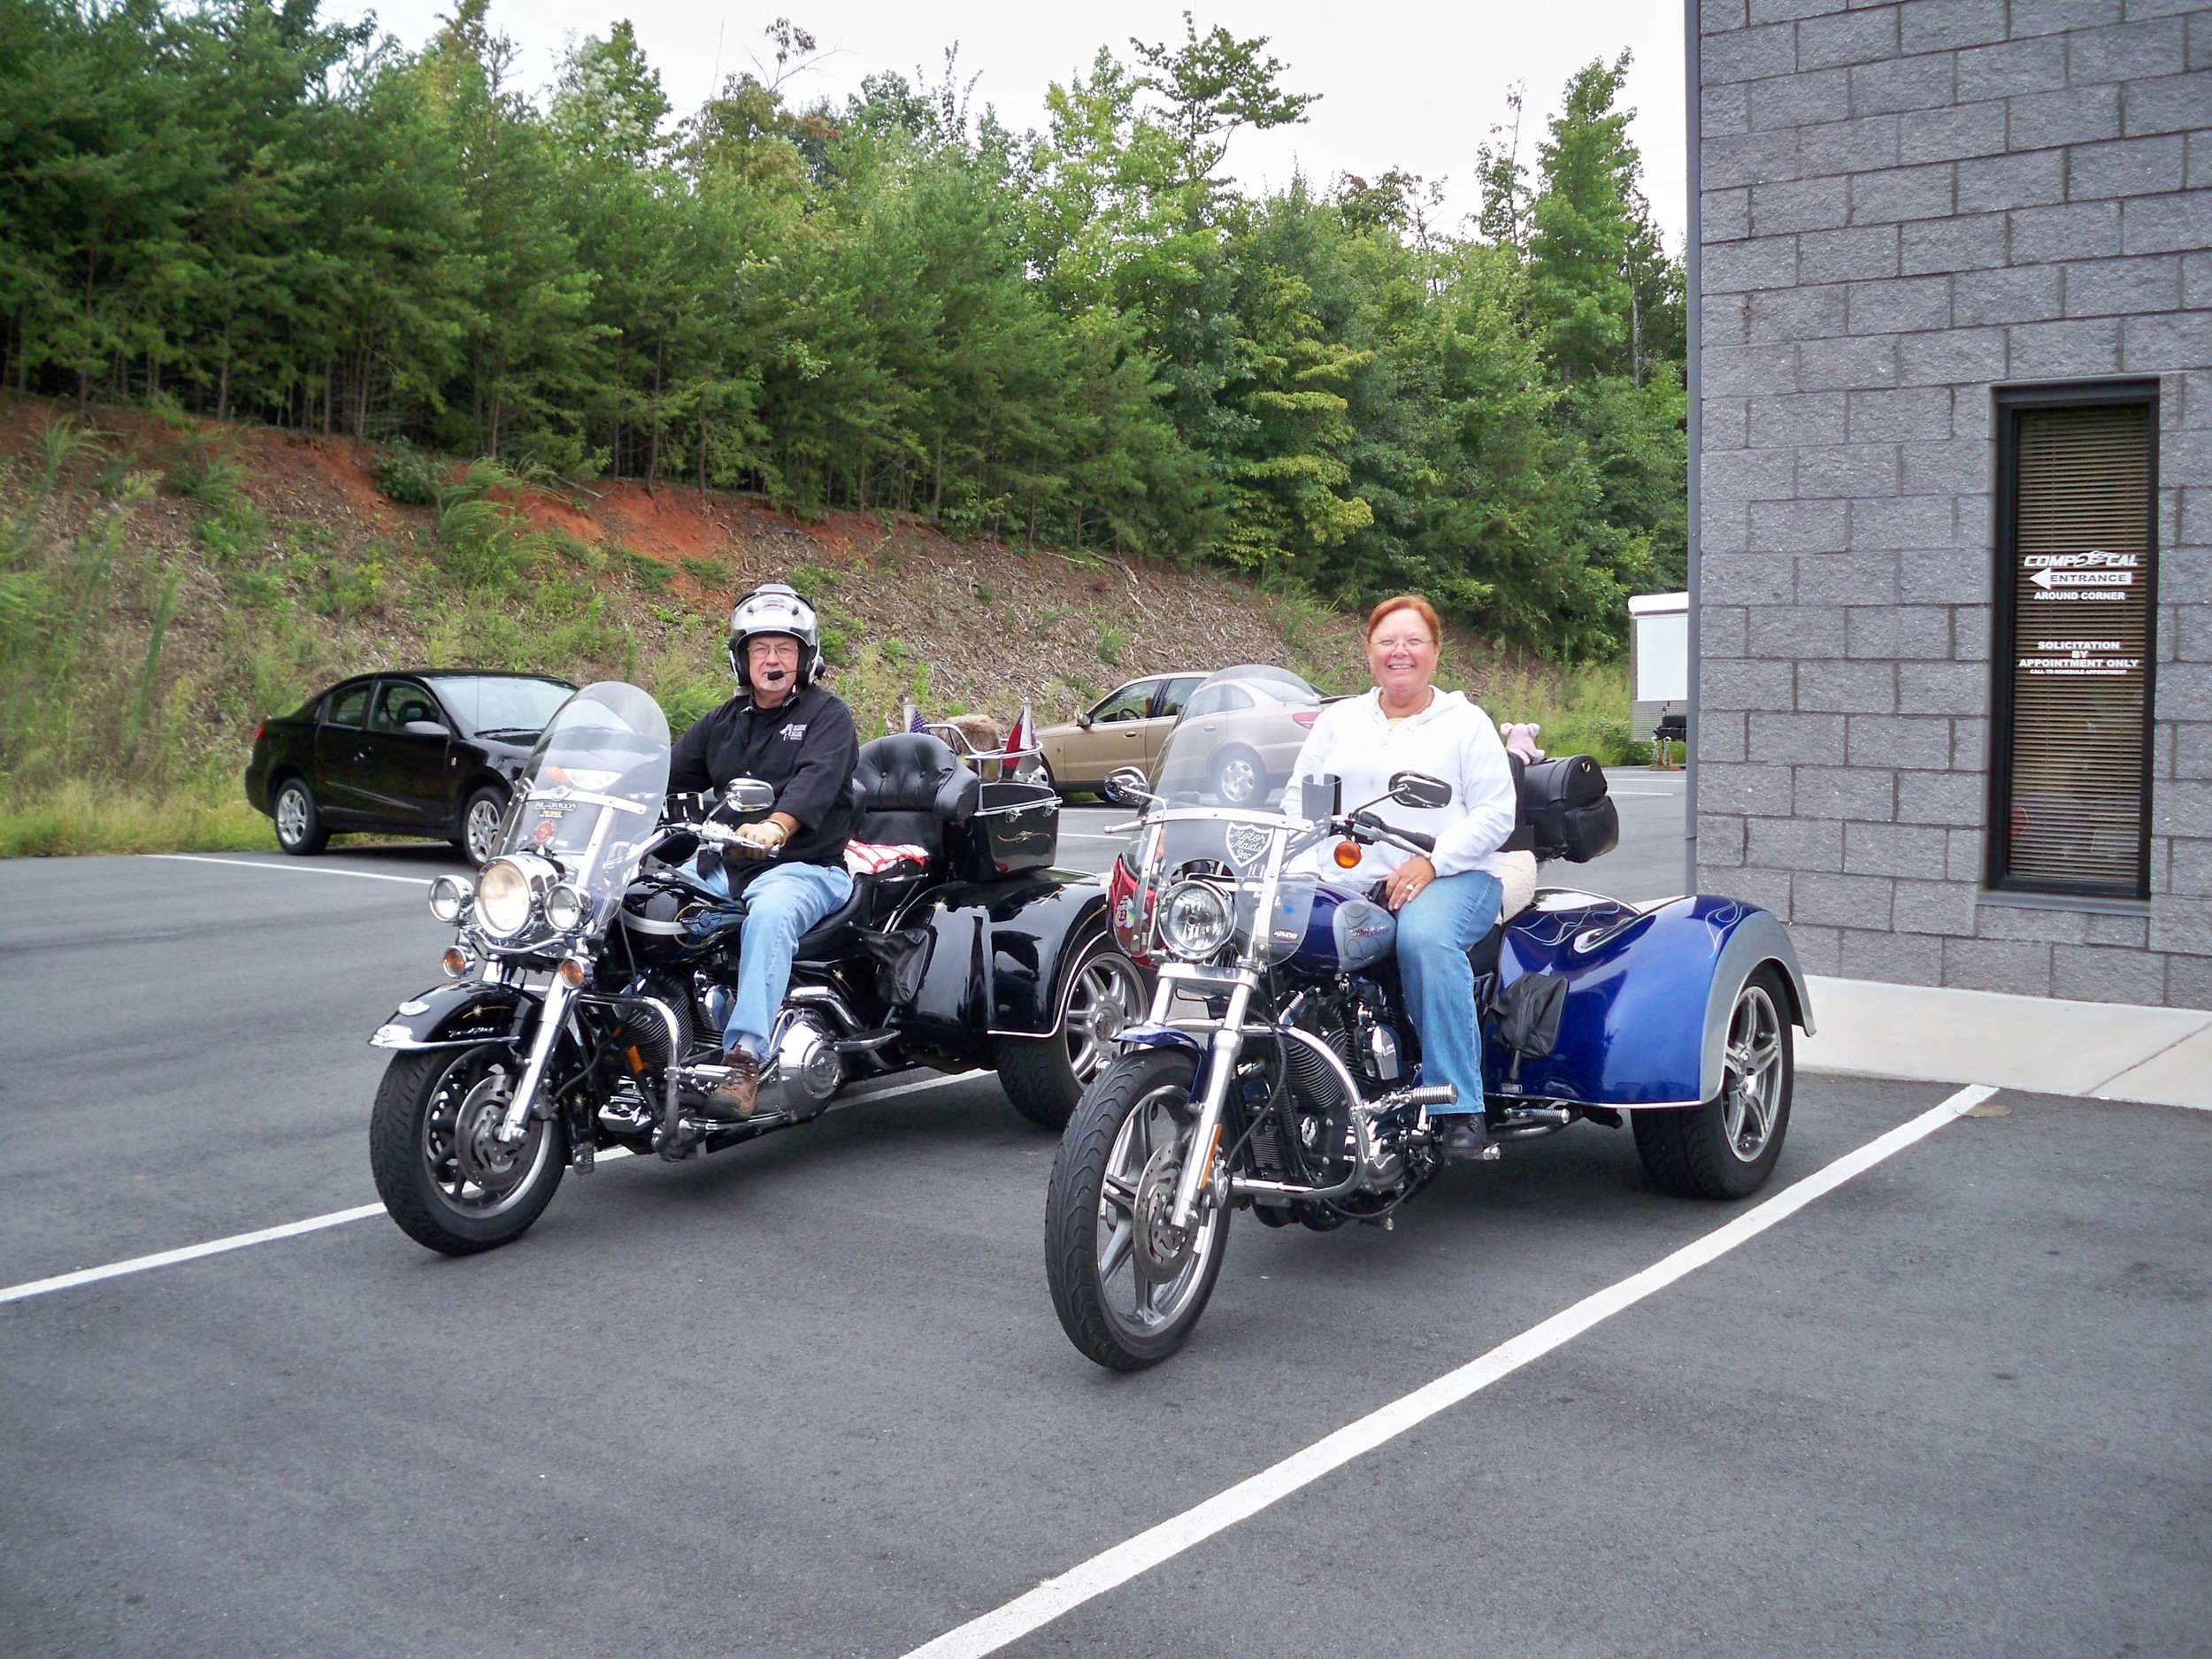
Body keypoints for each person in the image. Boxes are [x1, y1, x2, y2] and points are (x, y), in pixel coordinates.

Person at [1286, 595, 1518, 1160]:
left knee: (1423, 938)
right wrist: (1292, 871)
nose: (1400, 652)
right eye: (1388, 640)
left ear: (1436, 651)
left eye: (1414, 640)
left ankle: (1458, 1104)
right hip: (1352, 881)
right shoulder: (1339, 720)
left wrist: (1432, 860)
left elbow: (1496, 813)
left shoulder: (1465, 724)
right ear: (1368, 650)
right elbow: (1305, 800)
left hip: (1452, 878)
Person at [666, 582, 860, 1118]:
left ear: (805, 657)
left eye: (785, 649)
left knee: (769, 912)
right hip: (724, 864)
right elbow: (664, 773)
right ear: (741, 658)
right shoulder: (722, 721)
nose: (772, 661)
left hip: (804, 868)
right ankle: (642, 1024)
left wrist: (778, 824)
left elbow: (816, 781)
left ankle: (744, 1057)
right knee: (644, 899)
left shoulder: (828, 716)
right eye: (760, 649)